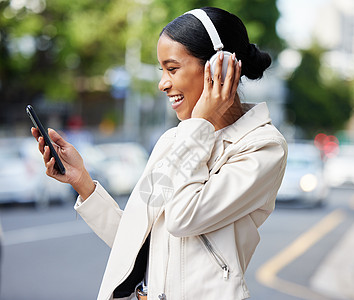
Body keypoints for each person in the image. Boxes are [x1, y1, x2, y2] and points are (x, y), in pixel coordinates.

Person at [32, 7, 287, 300]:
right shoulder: (173, 141)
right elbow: (134, 243)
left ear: (220, 67)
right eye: (162, 70)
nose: (163, 83)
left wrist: (198, 126)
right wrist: (83, 183)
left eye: (173, 68)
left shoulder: (263, 147)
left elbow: (183, 218)